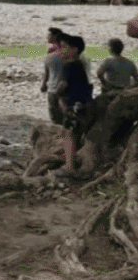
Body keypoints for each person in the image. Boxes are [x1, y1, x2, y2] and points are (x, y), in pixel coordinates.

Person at [54, 33, 93, 177]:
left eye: (64, 47)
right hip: (82, 103)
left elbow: (63, 85)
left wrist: (57, 95)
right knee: (70, 133)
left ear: (74, 49)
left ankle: (69, 166)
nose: (61, 50)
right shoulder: (79, 65)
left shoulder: (69, 66)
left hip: (74, 105)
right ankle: (71, 162)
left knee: (68, 133)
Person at [41, 28, 66, 129]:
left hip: (54, 86)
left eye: (49, 35)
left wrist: (44, 84)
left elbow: (47, 70)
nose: (47, 36)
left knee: (55, 114)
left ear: (54, 37)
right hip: (66, 86)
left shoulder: (51, 51)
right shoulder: (67, 50)